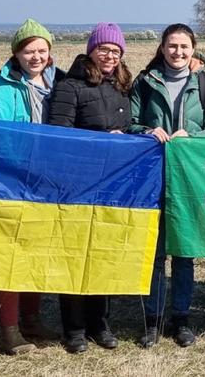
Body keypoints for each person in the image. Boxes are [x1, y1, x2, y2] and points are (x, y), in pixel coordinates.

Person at [129, 23, 205, 348]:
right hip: (152, 179)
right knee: (155, 254)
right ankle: (152, 320)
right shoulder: (145, 82)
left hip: (190, 180)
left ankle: (181, 319)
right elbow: (129, 124)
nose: (178, 52)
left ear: (193, 48)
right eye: (172, 46)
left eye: (184, 46)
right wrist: (147, 132)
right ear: (162, 47)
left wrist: (192, 137)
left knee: (184, 253)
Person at [47, 22, 132, 353]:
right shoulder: (70, 86)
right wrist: (100, 141)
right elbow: (59, 135)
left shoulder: (124, 86)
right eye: (104, 50)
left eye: (116, 51)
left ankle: (100, 322)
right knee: (75, 256)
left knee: (104, 256)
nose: (109, 56)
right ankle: (75, 328)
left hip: (114, 187)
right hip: (77, 185)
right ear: (90, 50)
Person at [0, 18, 63, 354]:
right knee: (10, 254)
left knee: (38, 251)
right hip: (14, 180)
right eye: (28, 51)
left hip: (50, 181)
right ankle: (10, 328)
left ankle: (33, 318)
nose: (35, 56)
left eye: (41, 50)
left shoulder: (60, 82)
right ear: (16, 54)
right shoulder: (1, 88)